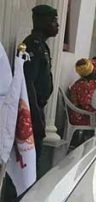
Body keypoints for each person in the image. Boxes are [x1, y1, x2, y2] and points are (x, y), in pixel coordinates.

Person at [22, 4, 59, 156]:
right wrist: (36, 117)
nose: (57, 25)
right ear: (43, 22)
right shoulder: (32, 45)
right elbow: (28, 82)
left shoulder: (42, 46)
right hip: (30, 112)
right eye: (54, 21)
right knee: (29, 161)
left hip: (37, 109)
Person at [68, 58, 96, 136]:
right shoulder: (88, 85)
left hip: (80, 114)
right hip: (84, 116)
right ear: (91, 71)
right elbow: (87, 104)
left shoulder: (78, 84)